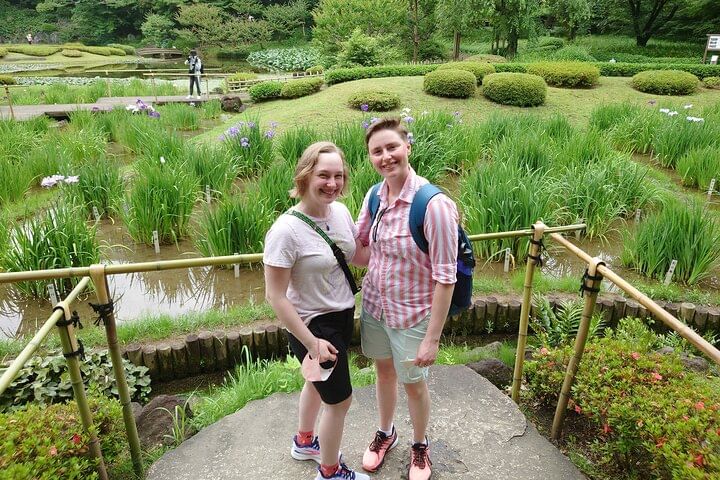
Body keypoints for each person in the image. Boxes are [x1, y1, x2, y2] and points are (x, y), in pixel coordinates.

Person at [355, 118, 459, 480]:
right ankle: (386, 433)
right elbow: (361, 249)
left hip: (413, 314)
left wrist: (432, 338)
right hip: (375, 307)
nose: (386, 156)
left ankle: (419, 445)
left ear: (408, 147)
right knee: (383, 372)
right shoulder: (374, 196)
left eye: (392, 147)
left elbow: (445, 277)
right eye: (377, 151)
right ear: (370, 157)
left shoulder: (433, 205)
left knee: (414, 383)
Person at [264, 141, 370, 480]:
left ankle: (305, 441)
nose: (332, 183)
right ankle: (329, 471)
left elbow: (357, 257)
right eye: (324, 175)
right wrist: (311, 343)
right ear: (305, 176)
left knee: (315, 383)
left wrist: (396, 234)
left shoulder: (339, 212)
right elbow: (275, 296)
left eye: (338, 175)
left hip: (341, 316)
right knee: (339, 402)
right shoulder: (286, 231)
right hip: (312, 325)